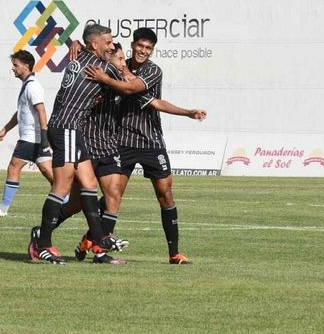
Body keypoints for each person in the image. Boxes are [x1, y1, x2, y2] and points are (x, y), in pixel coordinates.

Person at [85, 27, 207, 265]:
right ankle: (98, 244)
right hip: (122, 141)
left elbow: (134, 88)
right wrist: (77, 47)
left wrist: (188, 112)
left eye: (148, 48)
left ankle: (174, 253)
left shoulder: (152, 70)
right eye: (140, 46)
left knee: (165, 194)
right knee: (113, 194)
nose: (143, 51)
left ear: (152, 51)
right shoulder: (118, 62)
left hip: (151, 141)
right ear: (132, 45)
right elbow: (95, 54)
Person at [27, 24, 124, 264]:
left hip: (70, 128)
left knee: (89, 184)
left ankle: (99, 244)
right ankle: (43, 243)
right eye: (109, 43)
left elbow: (81, 43)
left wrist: (76, 44)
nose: (112, 47)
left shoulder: (79, 56)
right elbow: (129, 85)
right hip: (67, 128)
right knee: (61, 187)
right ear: (95, 44)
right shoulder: (100, 67)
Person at [0, 50, 54, 217]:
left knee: (14, 167)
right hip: (34, 138)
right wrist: (5, 129)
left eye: (15, 65)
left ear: (26, 66)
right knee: (47, 171)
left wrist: (44, 137)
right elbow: (21, 112)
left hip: (31, 138)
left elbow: (41, 112)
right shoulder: (27, 84)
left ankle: (3, 209)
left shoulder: (33, 86)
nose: (13, 68)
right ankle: (68, 201)